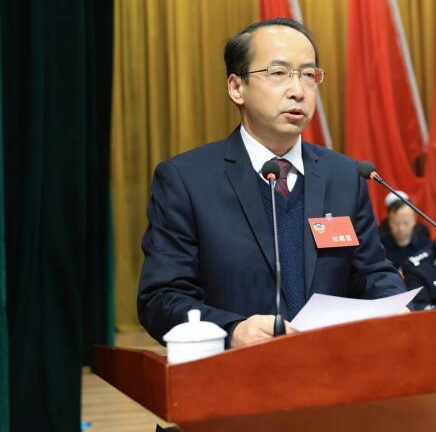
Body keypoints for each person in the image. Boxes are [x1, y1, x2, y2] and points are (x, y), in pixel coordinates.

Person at [138, 18, 406, 348]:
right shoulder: (187, 180)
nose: (298, 91)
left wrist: (393, 306)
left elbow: (373, 273)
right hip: (235, 370)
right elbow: (161, 298)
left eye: (308, 75)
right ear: (237, 87)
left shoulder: (344, 176)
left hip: (333, 367)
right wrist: (232, 331)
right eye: (278, 73)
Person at [379, 192, 430, 270]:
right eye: (396, 223)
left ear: (414, 221)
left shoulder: (425, 244)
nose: (401, 228)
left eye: (406, 223)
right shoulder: (379, 244)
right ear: (389, 221)